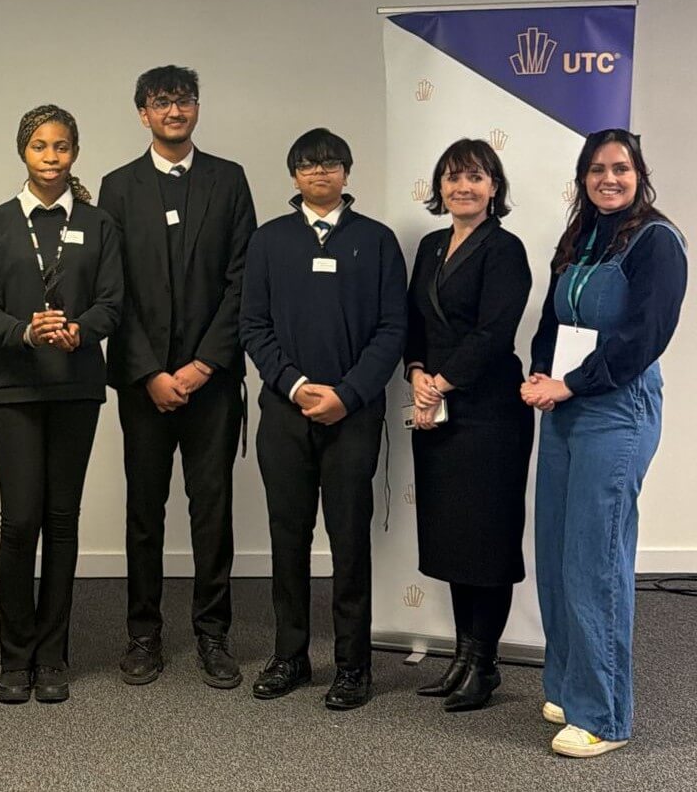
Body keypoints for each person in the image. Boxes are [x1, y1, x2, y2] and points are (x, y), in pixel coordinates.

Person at [522, 129, 686, 757]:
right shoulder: (581, 238)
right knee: (560, 551)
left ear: (639, 173)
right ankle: (570, 687)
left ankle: (604, 715)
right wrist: (543, 375)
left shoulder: (658, 242)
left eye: (620, 168)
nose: (607, 179)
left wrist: (570, 385)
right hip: (565, 404)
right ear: (583, 177)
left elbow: (644, 337)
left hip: (616, 410)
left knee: (595, 559)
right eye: (596, 169)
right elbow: (551, 319)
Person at [98, 65, 256, 689]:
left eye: (184, 100)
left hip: (210, 381)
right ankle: (144, 635)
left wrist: (200, 365)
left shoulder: (229, 180)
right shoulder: (116, 187)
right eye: (161, 102)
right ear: (142, 112)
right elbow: (112, 291)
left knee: (212, 510)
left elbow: (244, 280)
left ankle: (213, 634)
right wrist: (150, 372)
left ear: (196, 108)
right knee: (144, 510)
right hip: (144, 386)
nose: (174, 110)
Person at [240, 128, 407, 710]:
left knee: (348, 538)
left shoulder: (378, 241)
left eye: (331, 164)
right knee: (287, 537)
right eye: (308, 166)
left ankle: (353, 665)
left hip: (353, 416)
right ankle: (290, 656)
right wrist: (297, 385)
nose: (320, 174)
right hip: (284, 415)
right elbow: (252, 326)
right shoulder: (268, 241)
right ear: (293, 176)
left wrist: (348, 393)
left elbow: (393, 329)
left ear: (347, 172)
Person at [0, 104, 123, 704]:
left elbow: (114, 301)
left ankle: (53, 656)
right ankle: (15, 657)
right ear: (23, 153)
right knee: (19, 522)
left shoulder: (98, 223)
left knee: (62, 523)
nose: (51, 156)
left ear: (75, 153)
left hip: (77, 387)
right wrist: (27, 333)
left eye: (62, 146)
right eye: (40, 146)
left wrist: (80, 330)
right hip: (16, 390)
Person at [404, 139, 533, 711]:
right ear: (440, 188)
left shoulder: (506, 250)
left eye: (475, 178)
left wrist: (442, 382)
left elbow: (494, 332)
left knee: (488, 539)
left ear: (494, 188)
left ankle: (485, 666)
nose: (463, 187)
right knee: (455, 538)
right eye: (453, 178)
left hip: (489, 415)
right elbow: (413, 320)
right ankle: (460, 657)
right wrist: (414, 372)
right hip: (436, 410)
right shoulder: (431, 246)